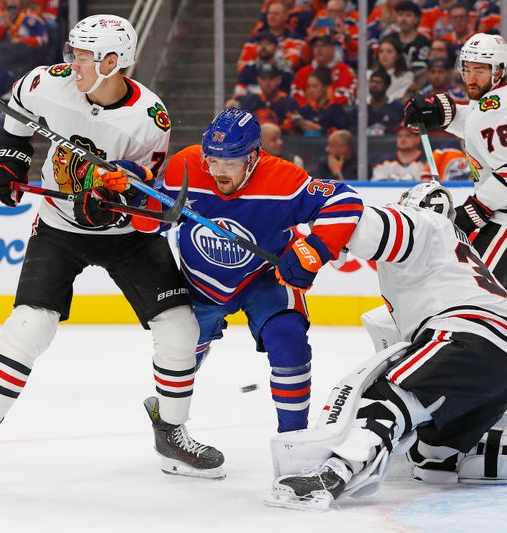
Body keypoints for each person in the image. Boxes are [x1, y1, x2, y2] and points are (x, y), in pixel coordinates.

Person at [0, 15, 224, 492]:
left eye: (81, 55)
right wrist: (7, 159)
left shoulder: (149, 119)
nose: (70, 61)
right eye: (72, 51)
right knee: (28, 326)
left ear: (112, 63)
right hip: (58, 226)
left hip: (127, 237)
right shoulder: (46, 83)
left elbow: (144, 201)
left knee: (180, 326)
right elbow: (16, 112)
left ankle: (172, 431)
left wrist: (112, 202)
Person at [266, 182, 507, 510]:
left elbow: (360, 225)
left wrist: (314, 247)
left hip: (467, 336)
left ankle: (336, 470)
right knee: (433, 461)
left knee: (386, 395)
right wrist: (324, 249)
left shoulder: (423, 223)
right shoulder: (455, 250)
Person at [144, 108, 363, 433]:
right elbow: (156, 217)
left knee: (289, 341)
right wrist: (127, 198)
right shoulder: (185, 165)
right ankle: (169, 419)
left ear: (254, 156)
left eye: (229, 161)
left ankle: (293, 441)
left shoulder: (285, 179)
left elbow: (345, 201)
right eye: (212, 159)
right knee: (180, 350)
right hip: (200, 282)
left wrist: (314, 250)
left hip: (264, 278)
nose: (218, 170)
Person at [404, 33, 507, 294]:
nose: (471, 78)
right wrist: (445, 112)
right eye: (467, 69)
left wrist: (473, 211)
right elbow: (477, 121)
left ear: (499, 70)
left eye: (480, 70)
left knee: (469, 294)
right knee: (489, 301)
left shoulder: (495, 110)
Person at [237, 63, 298, 128]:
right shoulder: (248, 101)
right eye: (263, 78)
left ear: (279, 79)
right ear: (258, 80)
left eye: (271, 78)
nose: (267, 82)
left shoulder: (289, 103)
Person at [366, 69, 404, 136]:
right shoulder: (361, 107)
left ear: (387, 86)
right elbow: (352, 130)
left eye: (379, 82)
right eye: (372, 81)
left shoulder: (397, 108)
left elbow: (399, 130)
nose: (374, 85)